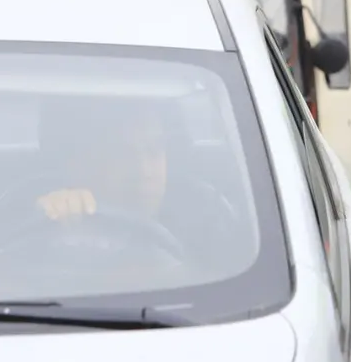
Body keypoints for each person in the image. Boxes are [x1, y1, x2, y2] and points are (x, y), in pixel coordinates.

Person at [33, 100, 237, 265]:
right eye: (122, 153)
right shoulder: (44, 224)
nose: (144, 171)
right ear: (79, 166)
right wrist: (49, 222)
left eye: (154, 150)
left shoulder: (206, 219)